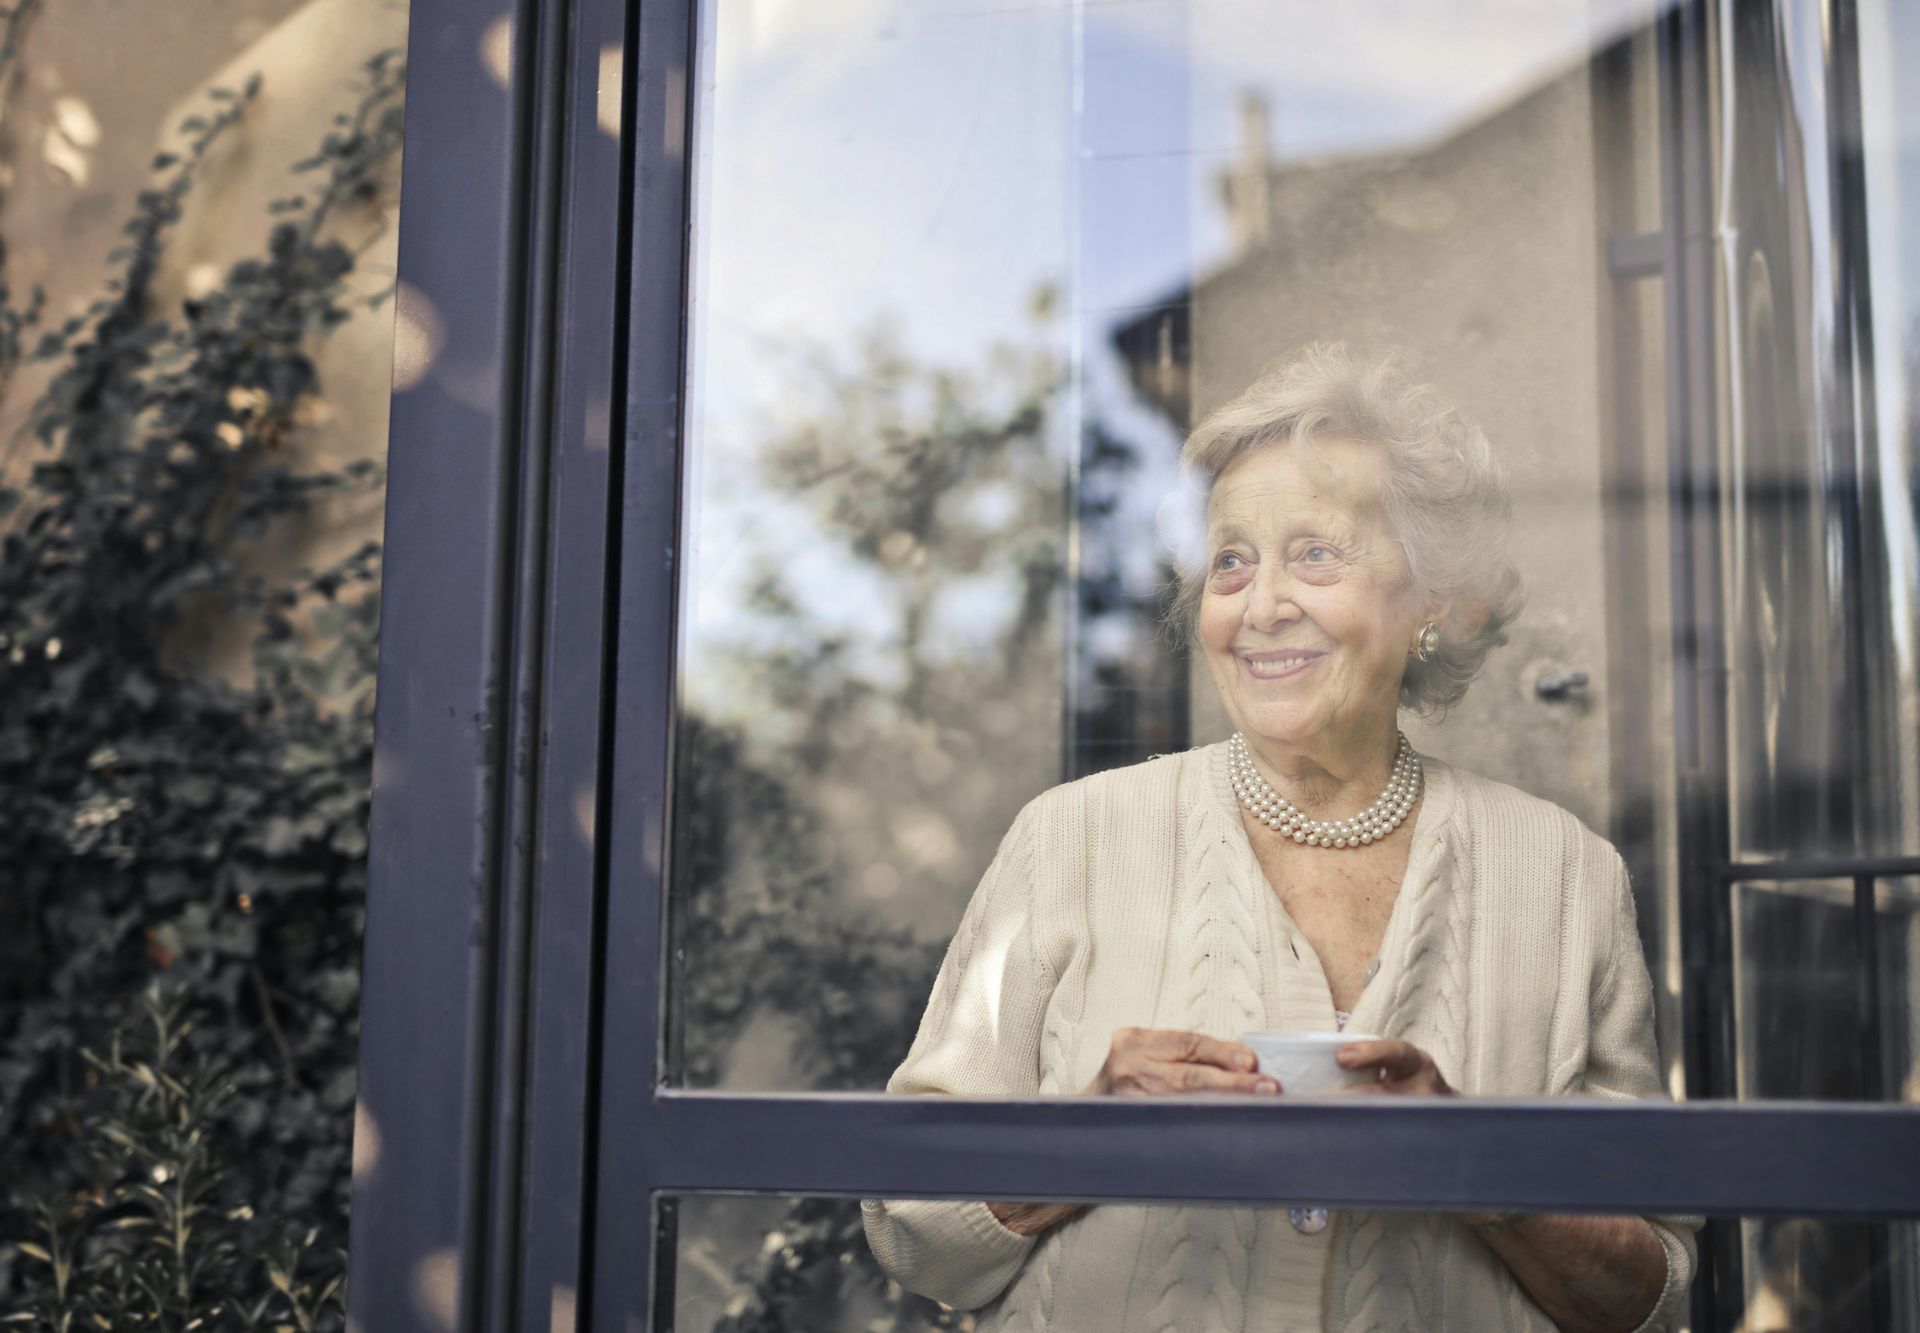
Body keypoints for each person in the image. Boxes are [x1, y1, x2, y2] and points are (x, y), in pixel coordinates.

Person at [861, 344, 1697, 1331]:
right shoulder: (1069, 840)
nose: (1261, 607)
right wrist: (1091, 1129)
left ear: (1431, 600)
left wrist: (1478, 1165)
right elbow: (910, 1224)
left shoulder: (1565, 879)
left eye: (1315, 554)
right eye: (1231, 561)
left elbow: (1650, 1294)